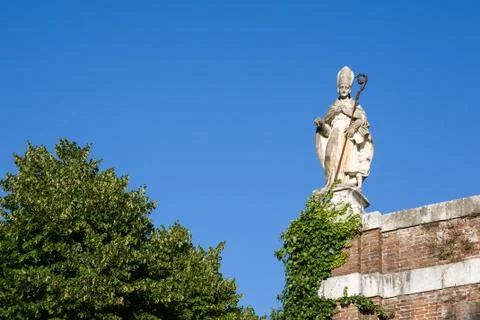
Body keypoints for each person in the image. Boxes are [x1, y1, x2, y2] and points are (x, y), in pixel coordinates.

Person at [314, 66, 373, 190]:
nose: (344, 90)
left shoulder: (354, 105)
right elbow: (327, 129)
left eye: (346, 88)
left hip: (346, 135)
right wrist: (322, 124)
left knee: (346, 161)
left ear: (350, 89)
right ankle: (331, 181)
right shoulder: (333, 107)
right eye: (342, 88)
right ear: (338, 89)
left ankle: (343, 181)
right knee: (330, 156)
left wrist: (353, 127)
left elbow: (361, 119)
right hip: (334, 134)